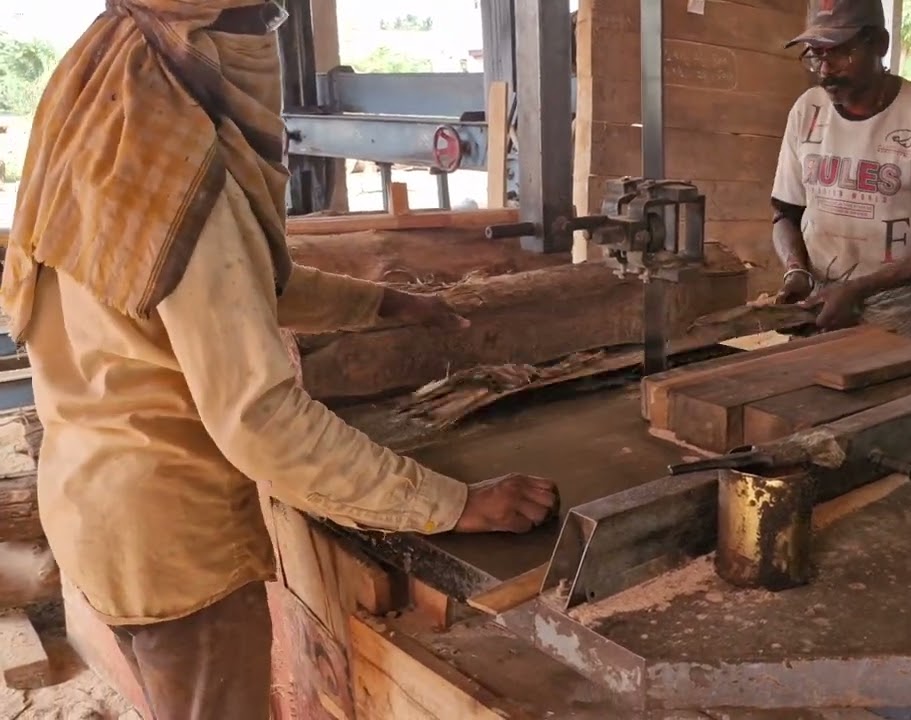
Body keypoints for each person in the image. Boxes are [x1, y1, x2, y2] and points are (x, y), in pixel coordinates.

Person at [0, 2, 557, 717]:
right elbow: (261, 420)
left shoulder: (107, 137)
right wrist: (456, 503)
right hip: (175, 550)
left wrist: (379, 303)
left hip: (93, 510)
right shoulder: (185, 183)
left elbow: (207, 286)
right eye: (262, 25)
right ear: (207, 37)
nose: (268, 41)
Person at [771, 0, 911, 339]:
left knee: (887, 390)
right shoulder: (807, 111)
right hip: (818, 298)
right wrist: (796, 272)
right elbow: (785, 213)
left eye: (839, 53)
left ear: (880, 44)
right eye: (816, 54)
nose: (825, 70)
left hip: (894, 303)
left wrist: (860, 289)